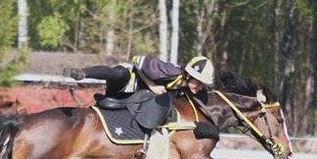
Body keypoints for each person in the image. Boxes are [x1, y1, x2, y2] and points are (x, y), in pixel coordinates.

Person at [64, 55, 215, 97]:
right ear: (188, 76)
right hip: (129, 79)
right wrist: (152, 85)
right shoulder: (170, 71)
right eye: (199, 82)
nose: (199, 87)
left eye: (203, 85)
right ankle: (84, 73)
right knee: (116, 74)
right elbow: (137, 59)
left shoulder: (185, 87)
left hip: (135, 96)